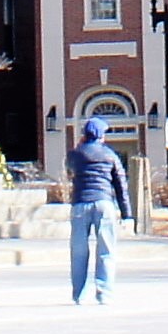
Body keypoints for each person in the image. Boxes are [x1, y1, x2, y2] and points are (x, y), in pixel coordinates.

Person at [65, 114, 131, 303]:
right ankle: (104, 293)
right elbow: (121, 185)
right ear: (102, 135)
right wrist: (127, 214)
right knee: (106, 250)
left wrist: (80, 145)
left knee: (79, 251)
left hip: (80, 203)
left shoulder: (75, 154)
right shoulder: (110, 155)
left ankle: (79, 294)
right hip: (104, 203)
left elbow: (70, 169)